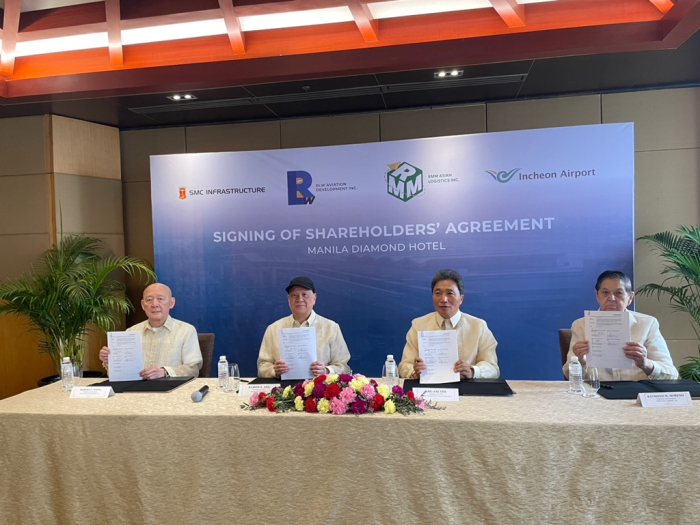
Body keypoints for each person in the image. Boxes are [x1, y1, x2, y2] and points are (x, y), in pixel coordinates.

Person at [563, 270, 678, 380]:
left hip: (636, 393)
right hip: (597, 394)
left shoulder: (647, 324)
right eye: (605, 292)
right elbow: (569, 375)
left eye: (618, 293)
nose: (611, 298)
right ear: (597, 295)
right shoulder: (581, 325)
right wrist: (581, 362)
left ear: (630, 297)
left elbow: (671, 375)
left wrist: (645, 363)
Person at [399, 269, 499, 379]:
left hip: (468, 391)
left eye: (450, 293)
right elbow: (404, 365)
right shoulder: (418, 325)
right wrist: (414, 372)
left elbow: (492, 368)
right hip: (429, 391)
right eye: (438, 293)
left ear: (461, 299)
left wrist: (472, 371)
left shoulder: (478, 326)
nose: (443, 299)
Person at [99, 283, 203, 379]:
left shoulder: (186, 331)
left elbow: (193, 369)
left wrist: (164, 372)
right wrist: (110, 360)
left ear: (171, 303)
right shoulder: (131, 332)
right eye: (149, 300)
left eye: (160, 299)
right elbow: (119, 374)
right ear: (143, 305)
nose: (154, 304)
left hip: (172, 392)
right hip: (136, 392)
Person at [257, 276, 351, 378]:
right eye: (294, 295)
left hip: (320, 390)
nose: (299, 299)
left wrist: (326, 371)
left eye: (305, 295)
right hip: (282, 391)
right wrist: (274, 371)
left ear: (314, 298)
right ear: (288, 299)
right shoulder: (273, 329)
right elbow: (262, 366)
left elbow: (344, 368)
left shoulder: (331, 328)